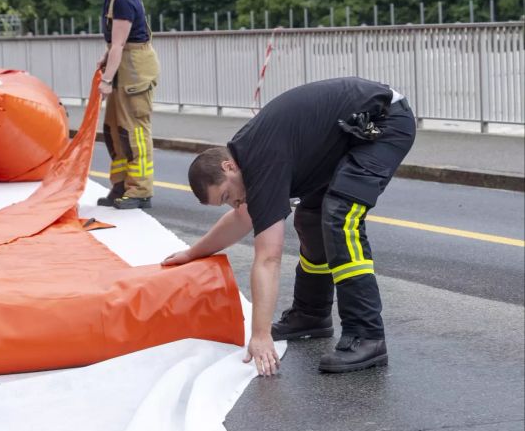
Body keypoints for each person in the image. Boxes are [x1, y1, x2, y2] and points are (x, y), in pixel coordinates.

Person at [163, 77, 416, 376]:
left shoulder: (261, 161)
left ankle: (366, 335)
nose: (235, 202)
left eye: (228, 196)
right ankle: (311, 316)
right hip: (354, 131)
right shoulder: (247, 159)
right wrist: (193, 253)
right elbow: (243, 217)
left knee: (340, 216)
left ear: (228, 167)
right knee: (310, 216)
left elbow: (268, 258)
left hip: (383, 124)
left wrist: (260, 335)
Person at [94, 0, 160, 210]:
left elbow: (120, 44)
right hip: (125, 66)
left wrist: (106, 80)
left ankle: (141, 190)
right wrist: (105, 59)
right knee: (114, 131)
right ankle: (121, 184)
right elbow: (114, 44)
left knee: (134, 132)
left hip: (135, 71)